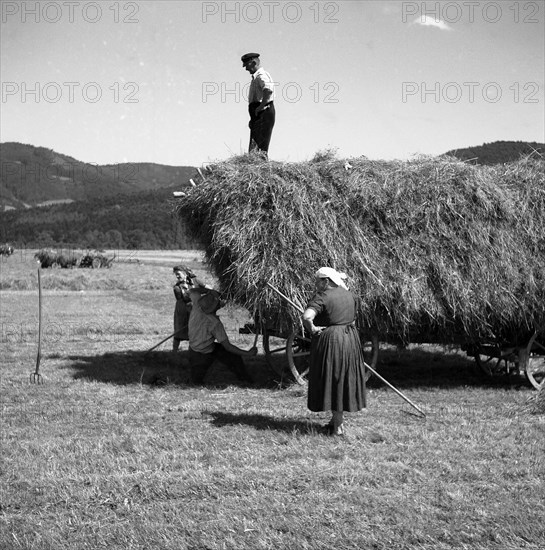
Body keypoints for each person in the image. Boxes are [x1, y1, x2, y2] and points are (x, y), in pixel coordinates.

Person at [302, 267, 367, 436]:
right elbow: (353, 316)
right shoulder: (350, 295)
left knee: (334, 379)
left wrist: (313, 328)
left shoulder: (323, 296)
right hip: (350, 339)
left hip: (332, 341)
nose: (316, 284)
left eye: (318, 281)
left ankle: (337, 426)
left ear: (326, 281)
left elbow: (307, 317)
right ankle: (335, 421)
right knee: (343, 378)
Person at [187, 287, 257, 384]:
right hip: (204, 353)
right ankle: (245, 379)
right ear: (216, 307)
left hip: (193, 349)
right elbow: (228, 346)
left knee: (196, 379)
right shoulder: (215, 324)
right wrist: (247, 353)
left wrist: (207, 292)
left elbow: (193, 290)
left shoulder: (196, 307)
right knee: (197, 382)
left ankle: (244, 378)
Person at [241, 52, 275, 156]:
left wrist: (260, 107)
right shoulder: (256, 77)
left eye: (247, 65)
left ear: (254, 62)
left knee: (259, 149)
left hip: (263, 112)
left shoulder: (261, 75)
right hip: (259, 114)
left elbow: (268, 90)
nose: (246, 69)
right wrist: (253, 118)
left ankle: (261, 169)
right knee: (254, 147)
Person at [172, 266, 197, 352]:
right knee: (179, 331)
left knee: (192, 331)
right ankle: (174, 351)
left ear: (185, 273)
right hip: (182, 311)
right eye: (176, 275)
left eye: (178, 274)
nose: (177, 276)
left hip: (192, 310)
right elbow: (186, 297)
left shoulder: (192, 283)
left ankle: (191, 351)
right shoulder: (177, 287)